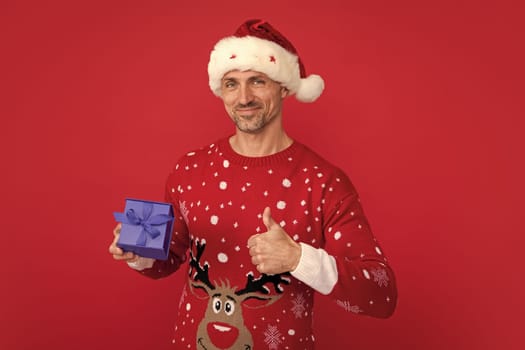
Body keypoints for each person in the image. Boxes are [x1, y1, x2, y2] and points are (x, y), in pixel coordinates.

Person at [109, 19, 397, 349]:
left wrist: (298, 258)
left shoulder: (324, 182)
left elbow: (381, 294)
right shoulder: (189, 169)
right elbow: (169, 258)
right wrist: (137, 253)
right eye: (231, 84)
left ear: (285, 87)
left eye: (257, 81)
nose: (244, 97)